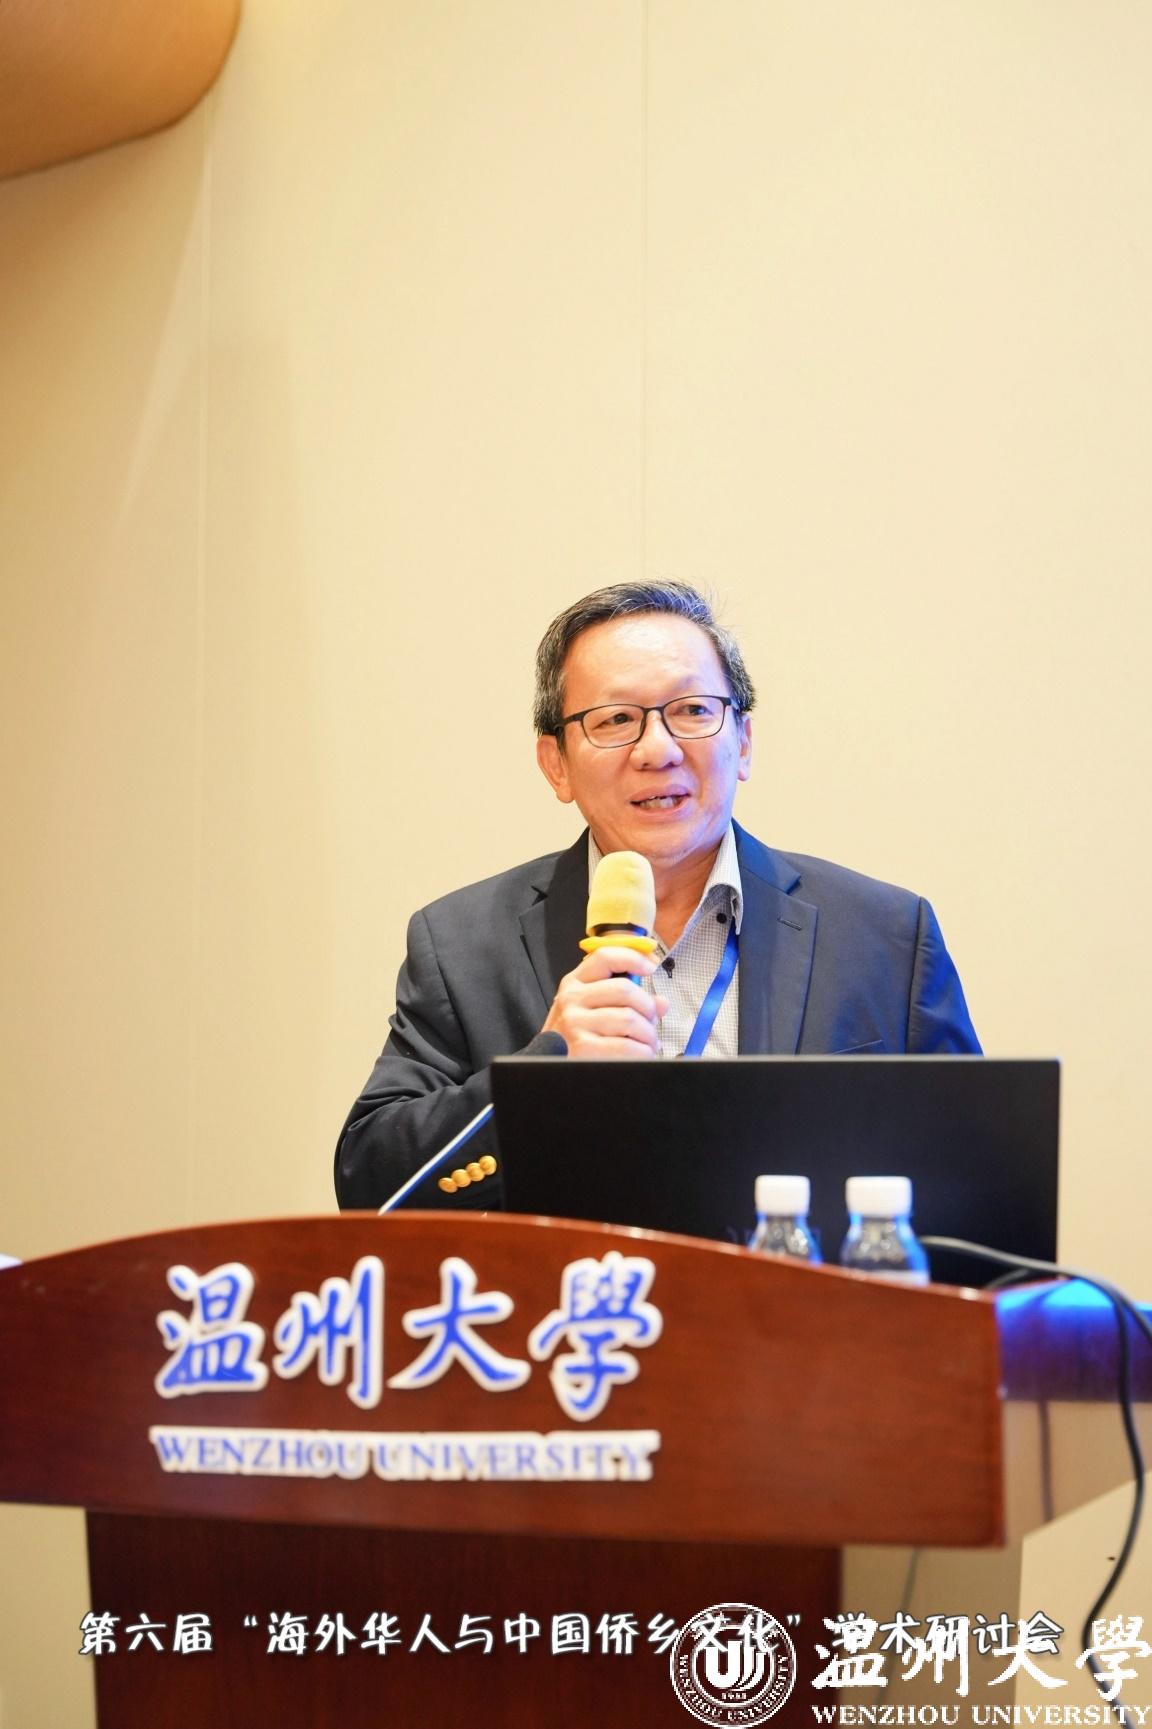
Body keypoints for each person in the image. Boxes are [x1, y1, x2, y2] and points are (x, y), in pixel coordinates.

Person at [335, 581, 980, 1210]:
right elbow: (370, 1184)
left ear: (743, 742)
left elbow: (978, 1182)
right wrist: (538, 1076)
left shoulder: (884, 936)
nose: (658, 750)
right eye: (616, 720)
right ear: (556, 764)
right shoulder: (462, 945)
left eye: (693, 711)